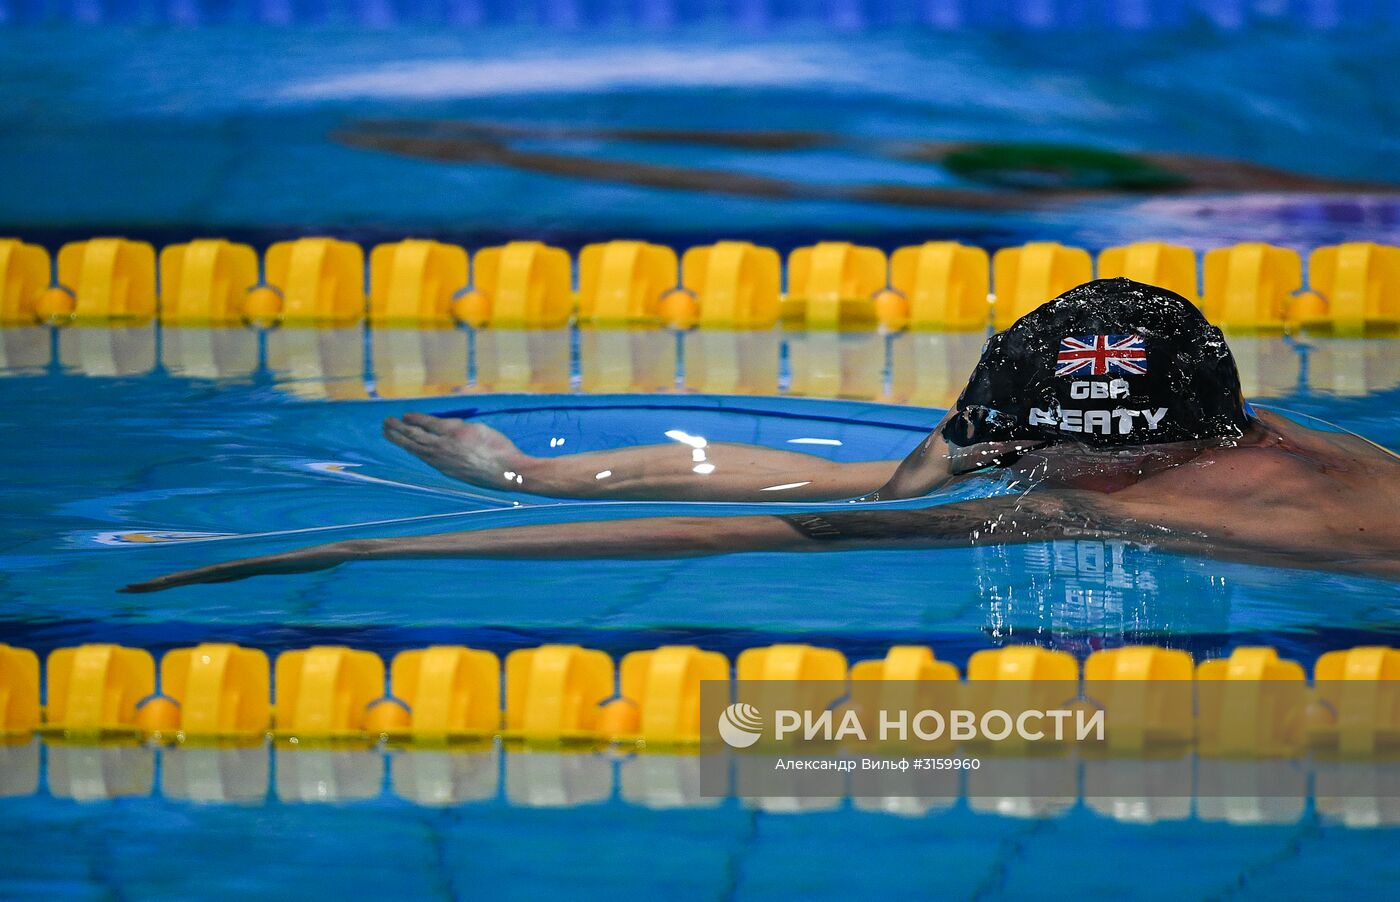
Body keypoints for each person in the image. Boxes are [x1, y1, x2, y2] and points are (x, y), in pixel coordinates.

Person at [122, 278, 1400, 593]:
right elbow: (863, 476)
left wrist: (360, 553)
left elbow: (771, 522)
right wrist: (531, 471)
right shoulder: (1247, 436)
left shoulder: (1120, 502)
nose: (1042, 457)